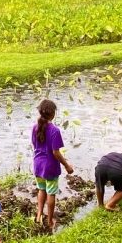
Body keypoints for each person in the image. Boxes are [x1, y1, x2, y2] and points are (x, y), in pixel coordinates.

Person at [31, 98, 74, 232]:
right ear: (52, 114)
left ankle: (39, 215)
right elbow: (56, 152)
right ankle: (49, 220)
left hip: (37, 164)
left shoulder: (34, 127)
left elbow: (34, 145)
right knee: (51, 193)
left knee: (41, 189)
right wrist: (67, 165)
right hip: (50, 166)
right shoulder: (55, 130)